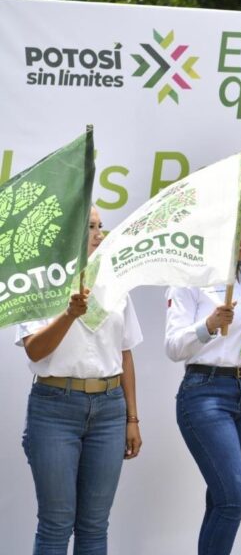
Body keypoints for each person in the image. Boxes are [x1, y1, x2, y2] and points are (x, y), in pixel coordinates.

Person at [17, 206, 143, 554]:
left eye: (101, 226)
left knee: (94, 526)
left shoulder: (114, 281)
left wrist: (132, 417)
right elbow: (34, 350)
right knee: (56, 523)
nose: (99, 234)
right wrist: (69, 314)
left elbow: (126, 352)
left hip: (109, 410)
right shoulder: (40, 281)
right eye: (90, 226)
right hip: (54, 409)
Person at [164, 206, 241, 555]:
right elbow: (173, 348)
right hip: (206, 394)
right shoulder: (189, 279)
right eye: (238, 230)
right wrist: (208, 326)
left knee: (222, 501)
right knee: (233, 498)